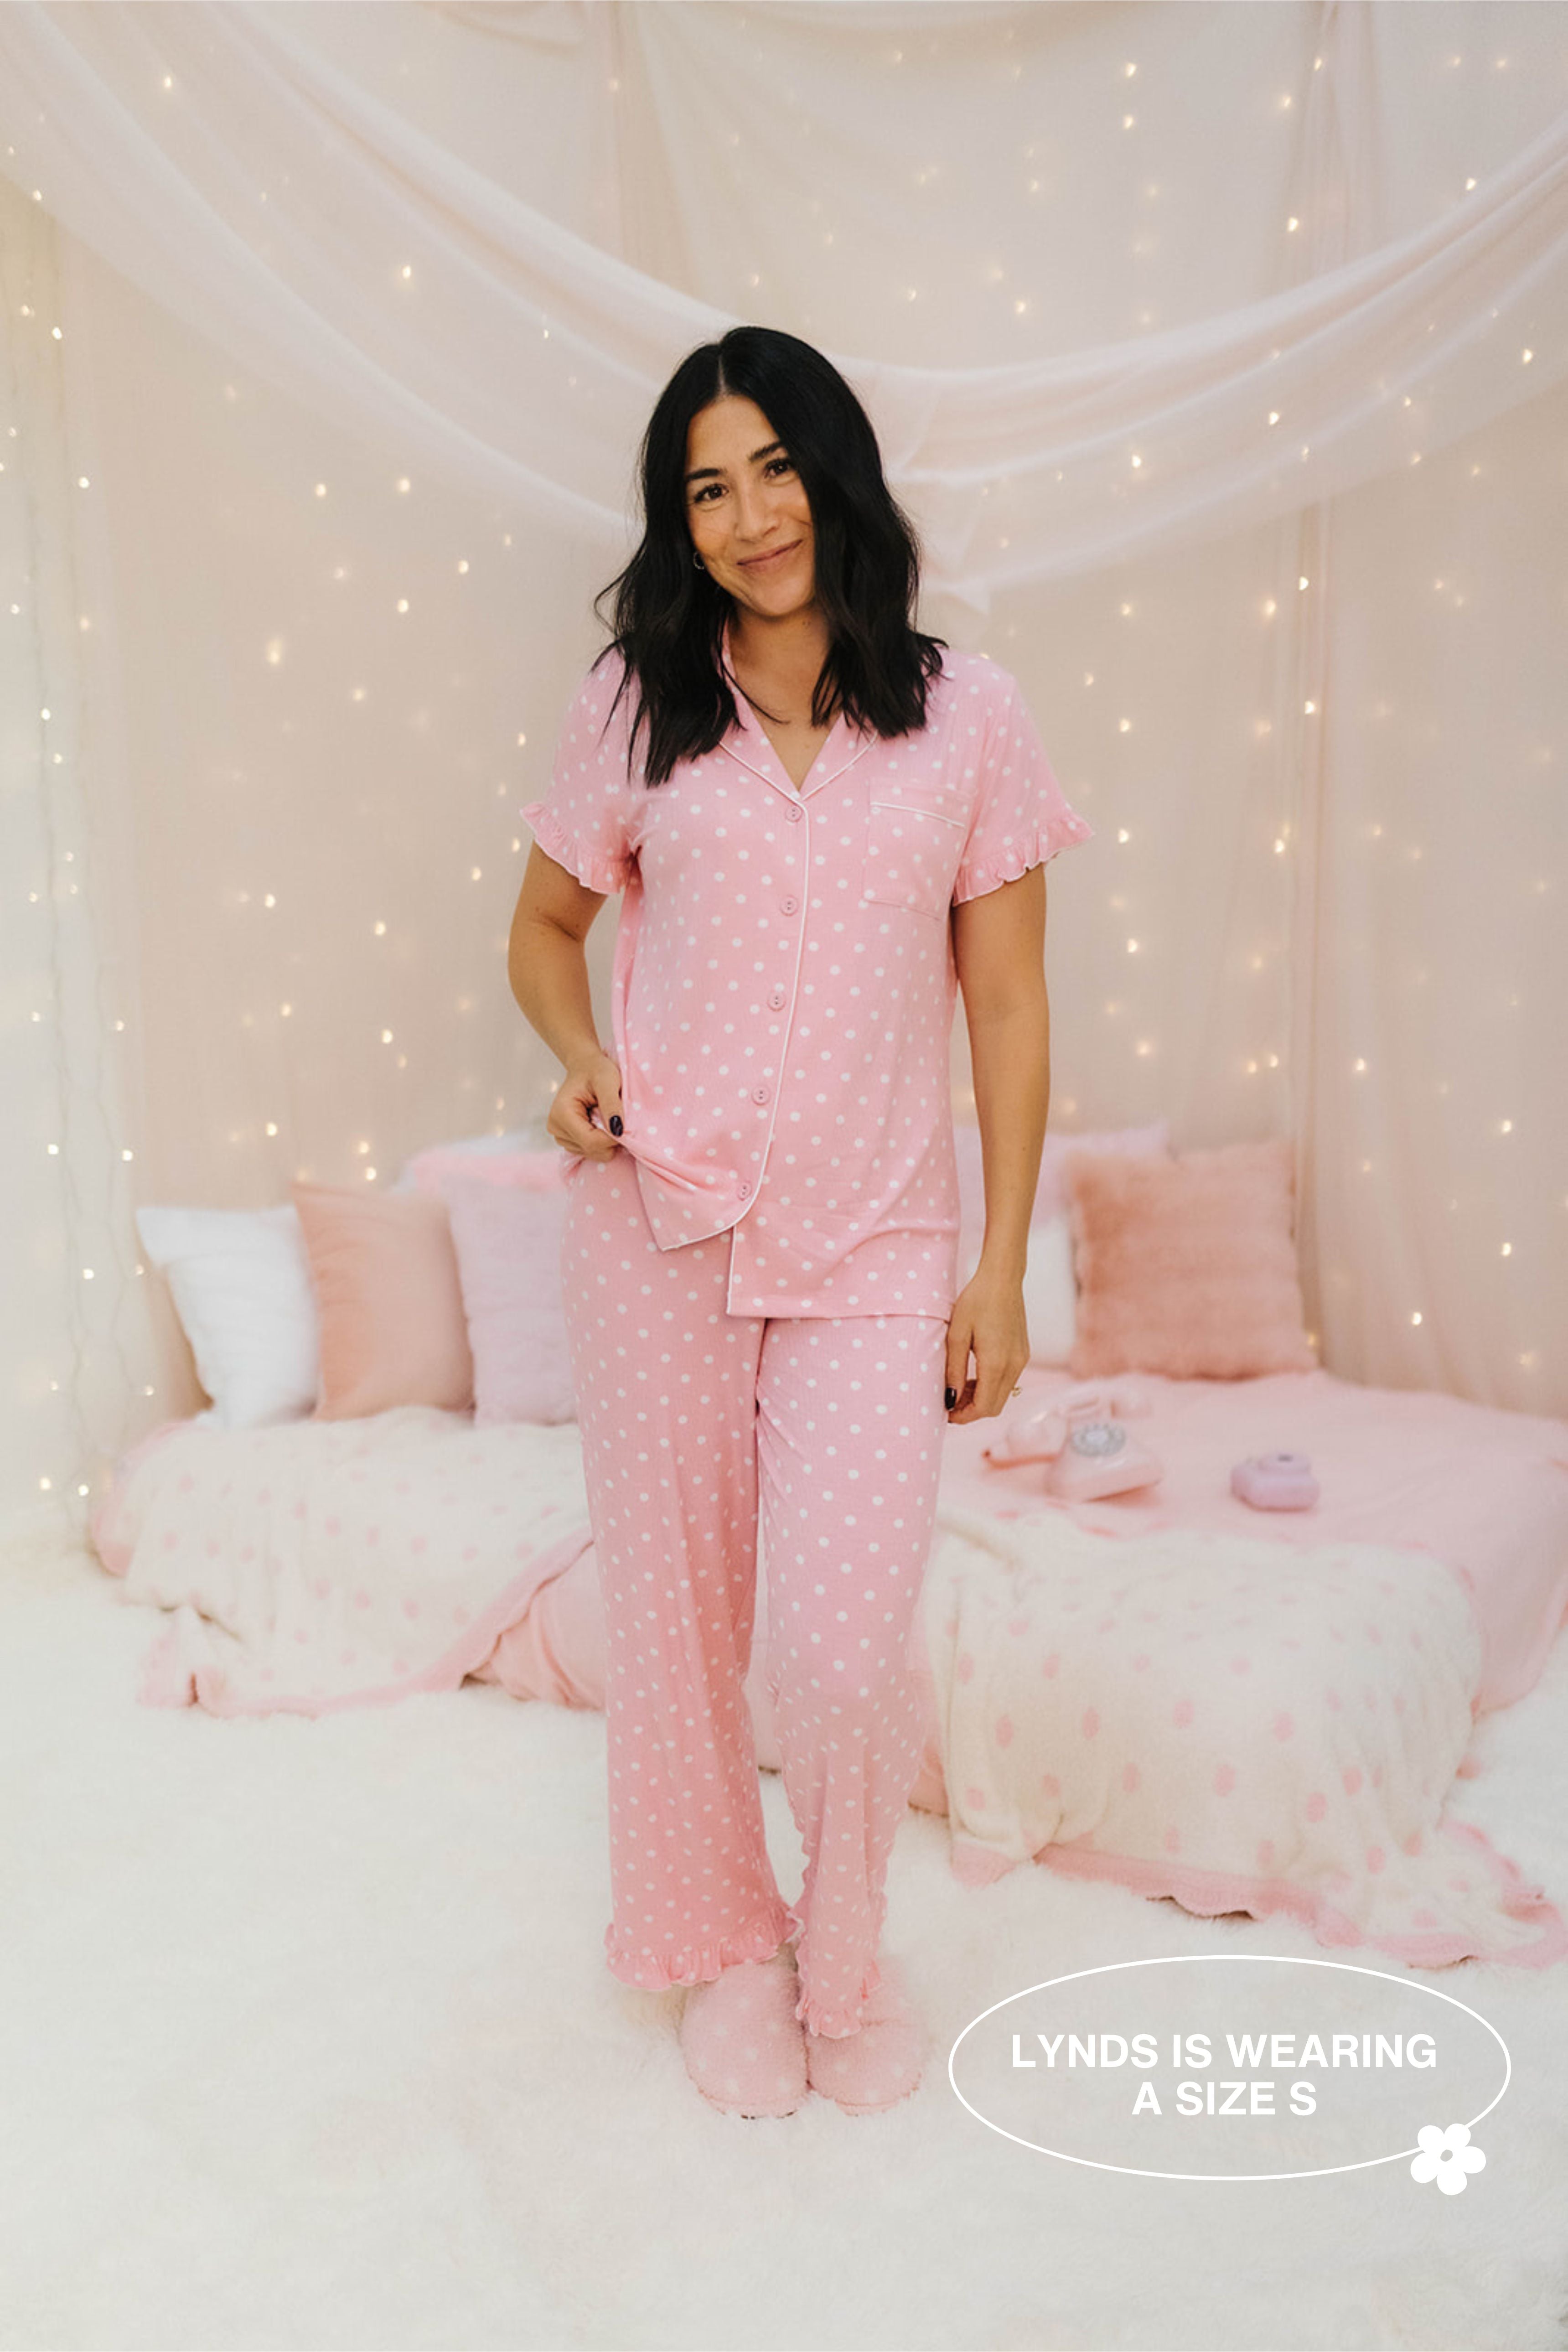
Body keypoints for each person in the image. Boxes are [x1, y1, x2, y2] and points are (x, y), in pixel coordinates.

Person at [508, 326, 1093, 2119]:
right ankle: (716, 1951)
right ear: (675, 522)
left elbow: (1002, 1006)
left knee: (838, 1657)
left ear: (831, 473)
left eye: (771, 468)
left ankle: (843, 1956)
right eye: (704, 487)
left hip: (877, 1247)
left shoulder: (964, 713)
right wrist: (576, 1058)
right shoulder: (635, 702)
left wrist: (995, 1265)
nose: (747, 515)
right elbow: (541, 933)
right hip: (659, 1229)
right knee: (678, 1636)